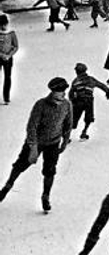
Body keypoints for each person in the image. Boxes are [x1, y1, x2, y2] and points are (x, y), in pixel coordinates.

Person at [0, 77, 72, 212]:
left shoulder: (67, 105)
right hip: (37, 142)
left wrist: (65, 141)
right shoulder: (41, 104)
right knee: (21, 165)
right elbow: (31, 126)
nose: (63, 93)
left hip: (53, 143)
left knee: (50, 170)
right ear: (52, 92)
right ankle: (8, 185)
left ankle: (45, 196)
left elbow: (68, 124)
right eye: (59, 91)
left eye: (64, 90)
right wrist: (33, 147)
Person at [69, 63, 109, 141]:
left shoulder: (75, 81)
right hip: (89, 100)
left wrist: (72, 101)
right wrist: (107, 92)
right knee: (89, 117)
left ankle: (67, 135)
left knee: (74, 118)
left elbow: (71, 93)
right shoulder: (91, 79)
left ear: (77, 72)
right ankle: (84, 133)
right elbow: (102, 85)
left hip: (78, 101)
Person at [0, 13, 18, 105]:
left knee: (7, 77)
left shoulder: (11, 33)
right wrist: (1, 54)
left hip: (8, 58)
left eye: (4, 24)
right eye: (1, 25)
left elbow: (15, 46)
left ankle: (6, 97)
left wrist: (9, 55)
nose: (3, 27)